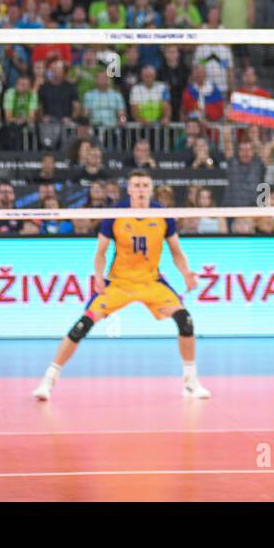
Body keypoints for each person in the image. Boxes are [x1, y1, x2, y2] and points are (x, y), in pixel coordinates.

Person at [32, 170, 207, 401]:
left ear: (151, 189)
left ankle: (191, 383)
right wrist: (98, 275)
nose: (142, 189)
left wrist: (186, 273)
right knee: (82, 325)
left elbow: (176, 252)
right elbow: (101, 253)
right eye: (137, 185)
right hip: (118, 283)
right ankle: (48, 380)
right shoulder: (116, 214)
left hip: (150, 281)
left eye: (145, 185)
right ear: (129, 189)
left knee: (185, 320)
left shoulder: (163, 215)